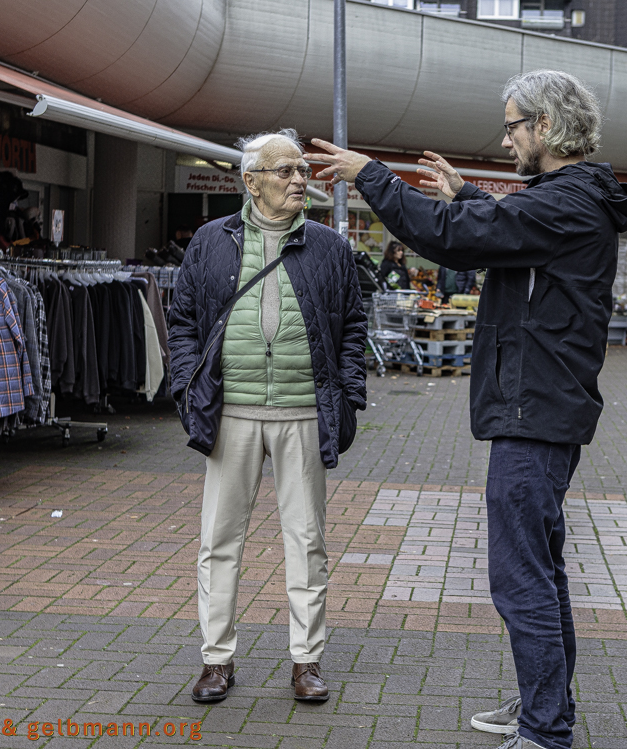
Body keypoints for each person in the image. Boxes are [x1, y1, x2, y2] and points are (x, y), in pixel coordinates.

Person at [310, 69, 627, 749]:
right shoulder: (566, 198)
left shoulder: (568, 201)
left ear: (545, 127)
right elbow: (502, 229)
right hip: (542, 407)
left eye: (514, 124)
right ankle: (541, 704)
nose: (506, 136)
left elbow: (458, 237)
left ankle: (546, 729)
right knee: (539, 572)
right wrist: (472, 196)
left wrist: (373, 175)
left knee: (520, 576)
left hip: (537, 411)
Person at [167, 129, 368, 705]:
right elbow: (181, 321)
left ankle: (306, 661)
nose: (299, 180)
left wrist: (348, 393)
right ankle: (216, 659)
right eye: (285, 171)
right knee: (219, 539)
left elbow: (352, 325)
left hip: (304, 411)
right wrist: (187, 386)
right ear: (251, 181)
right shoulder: (211, 241)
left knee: (306, 540)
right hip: (231, 412)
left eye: (302, 170)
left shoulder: (328, 246)